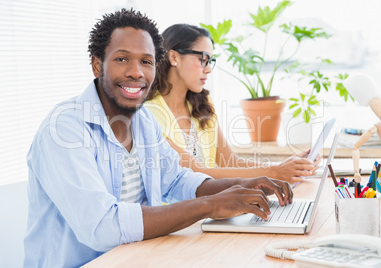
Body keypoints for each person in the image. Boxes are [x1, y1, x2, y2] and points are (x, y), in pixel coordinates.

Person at [23, 9, 293, 267]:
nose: (136, 72)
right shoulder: (64, 129)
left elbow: (175, 179)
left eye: (146, 61)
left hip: (140, 257)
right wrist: (210, 205)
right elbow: (102, 227)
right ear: (97, 65)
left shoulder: (143, 122)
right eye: (121, 59)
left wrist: (240, 185)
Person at [145, 24, 319, 184]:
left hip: (210, 206)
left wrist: (287, 167)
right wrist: (275, 171)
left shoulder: (201, 105)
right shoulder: (149, 113)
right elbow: (195, 171)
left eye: (210, 61)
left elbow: (230, 161)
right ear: (174, 57)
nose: (209, 69)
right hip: (178, 213)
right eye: (203, 59)